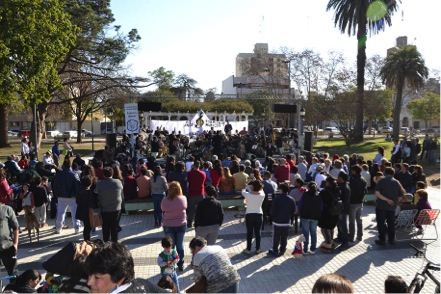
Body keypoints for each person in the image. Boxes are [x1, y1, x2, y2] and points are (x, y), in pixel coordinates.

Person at [86, 242, 167, 293]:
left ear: (119, 278)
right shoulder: (142, 283)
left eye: (97, 277)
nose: (89, 282)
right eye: (89, 275)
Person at [161, 181, 187, 272]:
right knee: (180, 246)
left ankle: (171, 264)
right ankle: (181, 264)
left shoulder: (165, 200)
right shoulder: (183, 198)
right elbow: (185, 207)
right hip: (181, 224)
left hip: (168, 225)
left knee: (171, 247)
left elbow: (163, 209)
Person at [374, 167, 404, 245]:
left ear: (385, 173)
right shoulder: (397, 182)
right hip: (392, 207)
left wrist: (386, 200)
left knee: (381, 223)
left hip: (381, 206)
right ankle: (391, 239)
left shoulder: (381, 181)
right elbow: (401, 196)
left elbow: (377, 193)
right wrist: (395, 202)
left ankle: (382, 239)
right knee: (391, 223)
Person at [53, 159, 82, 234]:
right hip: (72, 196)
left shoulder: (59, 175)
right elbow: (78, 186)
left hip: (61, 196)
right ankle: (77, 229)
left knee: (60, 213)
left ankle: (58, 228)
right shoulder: (73, 174)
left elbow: (55, 186)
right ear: (70, 165)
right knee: (75, 214)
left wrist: (56, 195)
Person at [95, 167, 123, 242]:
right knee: (114, 227)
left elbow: (95, 192)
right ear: (112, 173)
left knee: (105, 227)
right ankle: (115, 243)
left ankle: (106, 242)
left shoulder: (99, 184)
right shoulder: (118, 182)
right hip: (116, 208)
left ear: (103, 174)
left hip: (104, 209)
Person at [268, 183, 296, 257]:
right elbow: (293, 210)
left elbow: (272, 211)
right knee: (284, 236)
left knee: (276, 236)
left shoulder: (276, 199)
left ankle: (275, 249)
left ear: (281, 190)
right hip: (286, 222)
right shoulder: (291, 199)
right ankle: (282, 249)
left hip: (277, 222)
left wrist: (273, 217)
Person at [241, 180, 265, 255]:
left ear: (252, 187)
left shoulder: (247, 194)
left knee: (249, 233)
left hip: (249, 215)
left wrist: (248, 182)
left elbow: (243, 189)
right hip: (259, 214)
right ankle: (258, 249)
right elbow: (261, 189)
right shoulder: (262, 195)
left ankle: (248, 249)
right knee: (258, 233)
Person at [297, 182, 322, 255]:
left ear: (308, 188)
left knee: (306, 233)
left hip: (305, 216)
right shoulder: (318, 196)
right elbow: (321, 207)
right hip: (315, 217)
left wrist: (300, 214)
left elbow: (300, 205)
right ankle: (313, 249)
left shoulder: (304, 195)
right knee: (313, 233)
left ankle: (305, 249)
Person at [318, 176, 340, 252]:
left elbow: (320, 201)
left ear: (328, 183)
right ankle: (331, 241)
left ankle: (328, 244)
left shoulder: (324, 192)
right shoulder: (337, 190)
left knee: (325, 228)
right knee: (331, 228)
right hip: (335, 212)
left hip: (326, 213)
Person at [76, 175, 99, 241]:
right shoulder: (90, 193)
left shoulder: (79, 190)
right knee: (88, 228)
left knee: (86, 226)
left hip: (81, 211)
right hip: (88, 212)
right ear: (91, 183)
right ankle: (87, 240)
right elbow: (93, 204)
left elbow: (77, 201)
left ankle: (86, 240)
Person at [0, 202, 19, 278]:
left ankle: (14, 287)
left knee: (13, 273)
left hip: (7, 246)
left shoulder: (7, 209)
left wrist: (15, 243)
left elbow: (16, 227)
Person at [348, 165, 367, 242]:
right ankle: (359, 235)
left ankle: (351, 236)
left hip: (352, 202)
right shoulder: (363, 179)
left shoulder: (352, 179)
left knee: (351, 221)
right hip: (360, 201)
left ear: (354, 171)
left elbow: (350, 191)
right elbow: (365, 190)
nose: (351, 171)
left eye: (352, 170)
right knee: (359, 219)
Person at [186, 161, 206, 228]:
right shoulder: (203, 173)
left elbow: (188, 180)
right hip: (200, 193)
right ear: (199, 166)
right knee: (200, 209)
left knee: (191, 209)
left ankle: (189, 222)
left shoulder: (190, 173)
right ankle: (198, 222)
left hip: (192, 193)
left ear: (193, 166)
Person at [336, 171, 351, 247]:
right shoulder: (345, 185)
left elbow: (343, 200)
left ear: (341, 178)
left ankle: (345, 241)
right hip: (342, 209)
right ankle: (340, 237)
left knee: (343, 225)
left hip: (342, 209)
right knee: (340, 224)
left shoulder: (343, 188)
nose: (337, 178)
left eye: (338, 177)